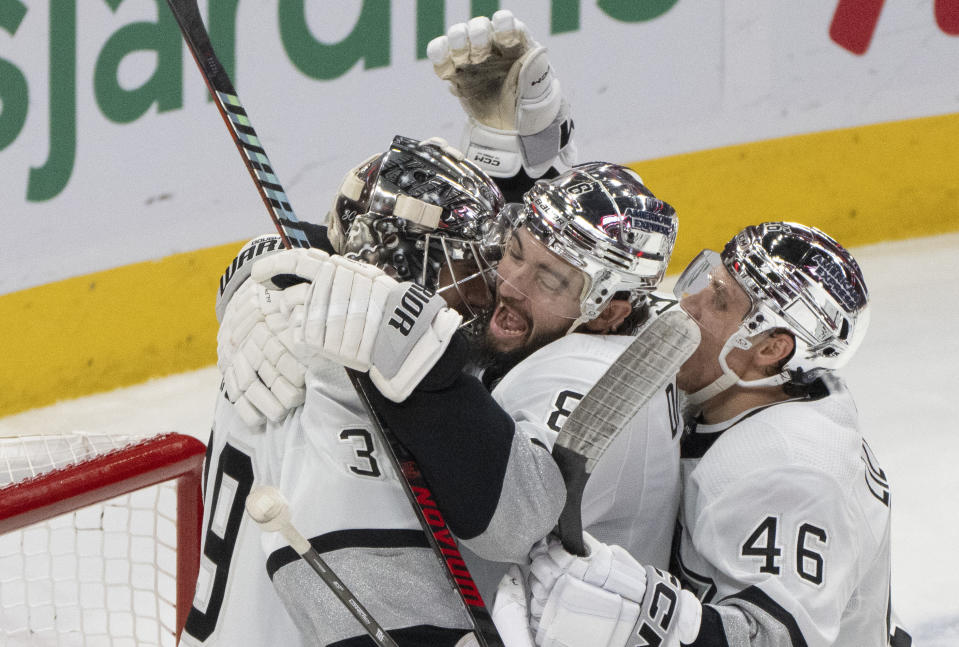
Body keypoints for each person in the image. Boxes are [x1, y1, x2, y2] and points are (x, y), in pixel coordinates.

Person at [500, 222, 911, 647]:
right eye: (707, 281)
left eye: (717, 300)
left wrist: (644, 610)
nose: (688, 303)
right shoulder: (746, 392)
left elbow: (777, 639)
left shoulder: (791, 473)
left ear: (771, 348)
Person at [182, 135, 510, 647]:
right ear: (405, 266)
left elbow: (326, 258)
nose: (484, 293)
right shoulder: (352, 396)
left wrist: (261, 261)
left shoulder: (282, 325)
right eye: (467, 268)